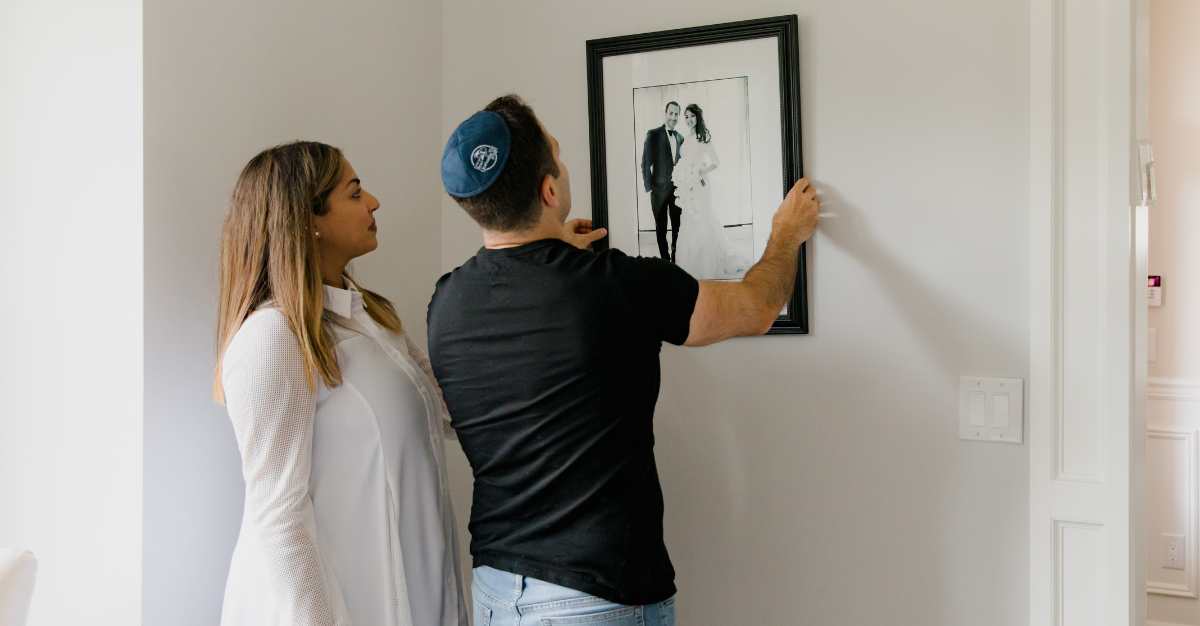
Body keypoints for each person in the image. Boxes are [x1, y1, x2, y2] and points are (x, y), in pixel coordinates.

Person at [429, 95, 818, 626]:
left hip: (498, 592)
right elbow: (757, 308)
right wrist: (786, 235)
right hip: (596, 595)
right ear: (548, 190)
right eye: (558, 157)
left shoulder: (446, 303)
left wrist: (554, 247)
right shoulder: (617, 285)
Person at [213, 141, 467, 626]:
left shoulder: (371, 316)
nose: (373, 201)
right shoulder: (272, 337)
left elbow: (450, 411)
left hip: (420, 594)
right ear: (308, 220)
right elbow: (278, 517)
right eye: (354, 194)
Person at [671, 103, 740, 279]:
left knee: (702, 218)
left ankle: (707, 263)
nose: (688, 119)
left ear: (697, 117)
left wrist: (701, 171)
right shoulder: (686, 138)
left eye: (691, 116)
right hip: (688, 187)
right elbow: (684, 161)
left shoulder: (704, 137)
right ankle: (690, 263)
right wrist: (683, 176)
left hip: (700, 184)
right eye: (686, 117)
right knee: (688, 220)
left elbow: (716, 162)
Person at [641, 101, 685, 262]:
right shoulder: (653, 134)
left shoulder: (680, 137)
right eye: (671, 113)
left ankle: (675, 257)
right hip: (658, 191)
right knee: (661, 229)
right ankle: (665, 261)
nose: (673, 117)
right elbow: (646, 163)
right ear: (665, 114)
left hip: (677, 191)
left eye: (676, 114)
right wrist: (649, 187)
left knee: (677, 227)